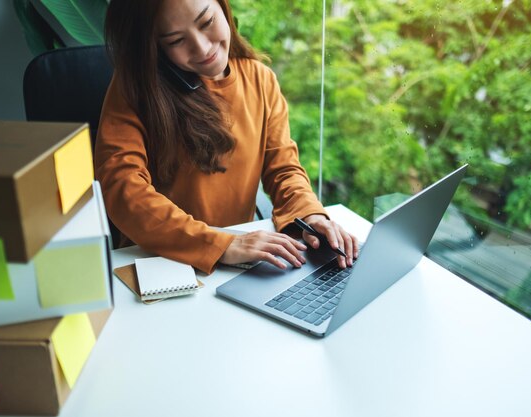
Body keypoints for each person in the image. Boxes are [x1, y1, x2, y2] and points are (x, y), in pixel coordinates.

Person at [96, 0, 359, 274]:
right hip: (162, 264)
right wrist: (219, 245)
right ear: (155, 48)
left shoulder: (260, 80)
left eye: (206, 22)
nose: (202, 47)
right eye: (176, 41)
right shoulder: (136, 91)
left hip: (240, 259)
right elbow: (122, 189)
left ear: (223, 7)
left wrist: (310, 215)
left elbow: (284, 169)